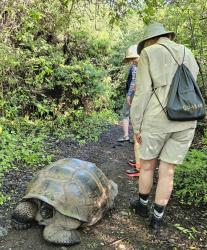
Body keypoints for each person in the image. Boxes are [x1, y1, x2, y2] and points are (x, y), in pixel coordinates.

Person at [129, 22, 199, 232]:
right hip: (187, 118)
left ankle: (142, 207)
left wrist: (137, 125)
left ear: (150, 40)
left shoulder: (149, 53)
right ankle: (157, 219)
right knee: (168, 171)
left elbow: (142, 93)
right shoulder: (188, 52)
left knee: (148, 165)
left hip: (157, 119)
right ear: (168, 35)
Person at [117, 45, 139, 143]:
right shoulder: (144, 65)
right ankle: (135, 137)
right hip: (141, 94)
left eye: (132, 58)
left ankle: (127, 136)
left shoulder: (135, 67)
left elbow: (133, 82)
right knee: (137, 115)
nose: (131, 61)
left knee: (125, 112)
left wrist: (129, 95)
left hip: (134, 93)